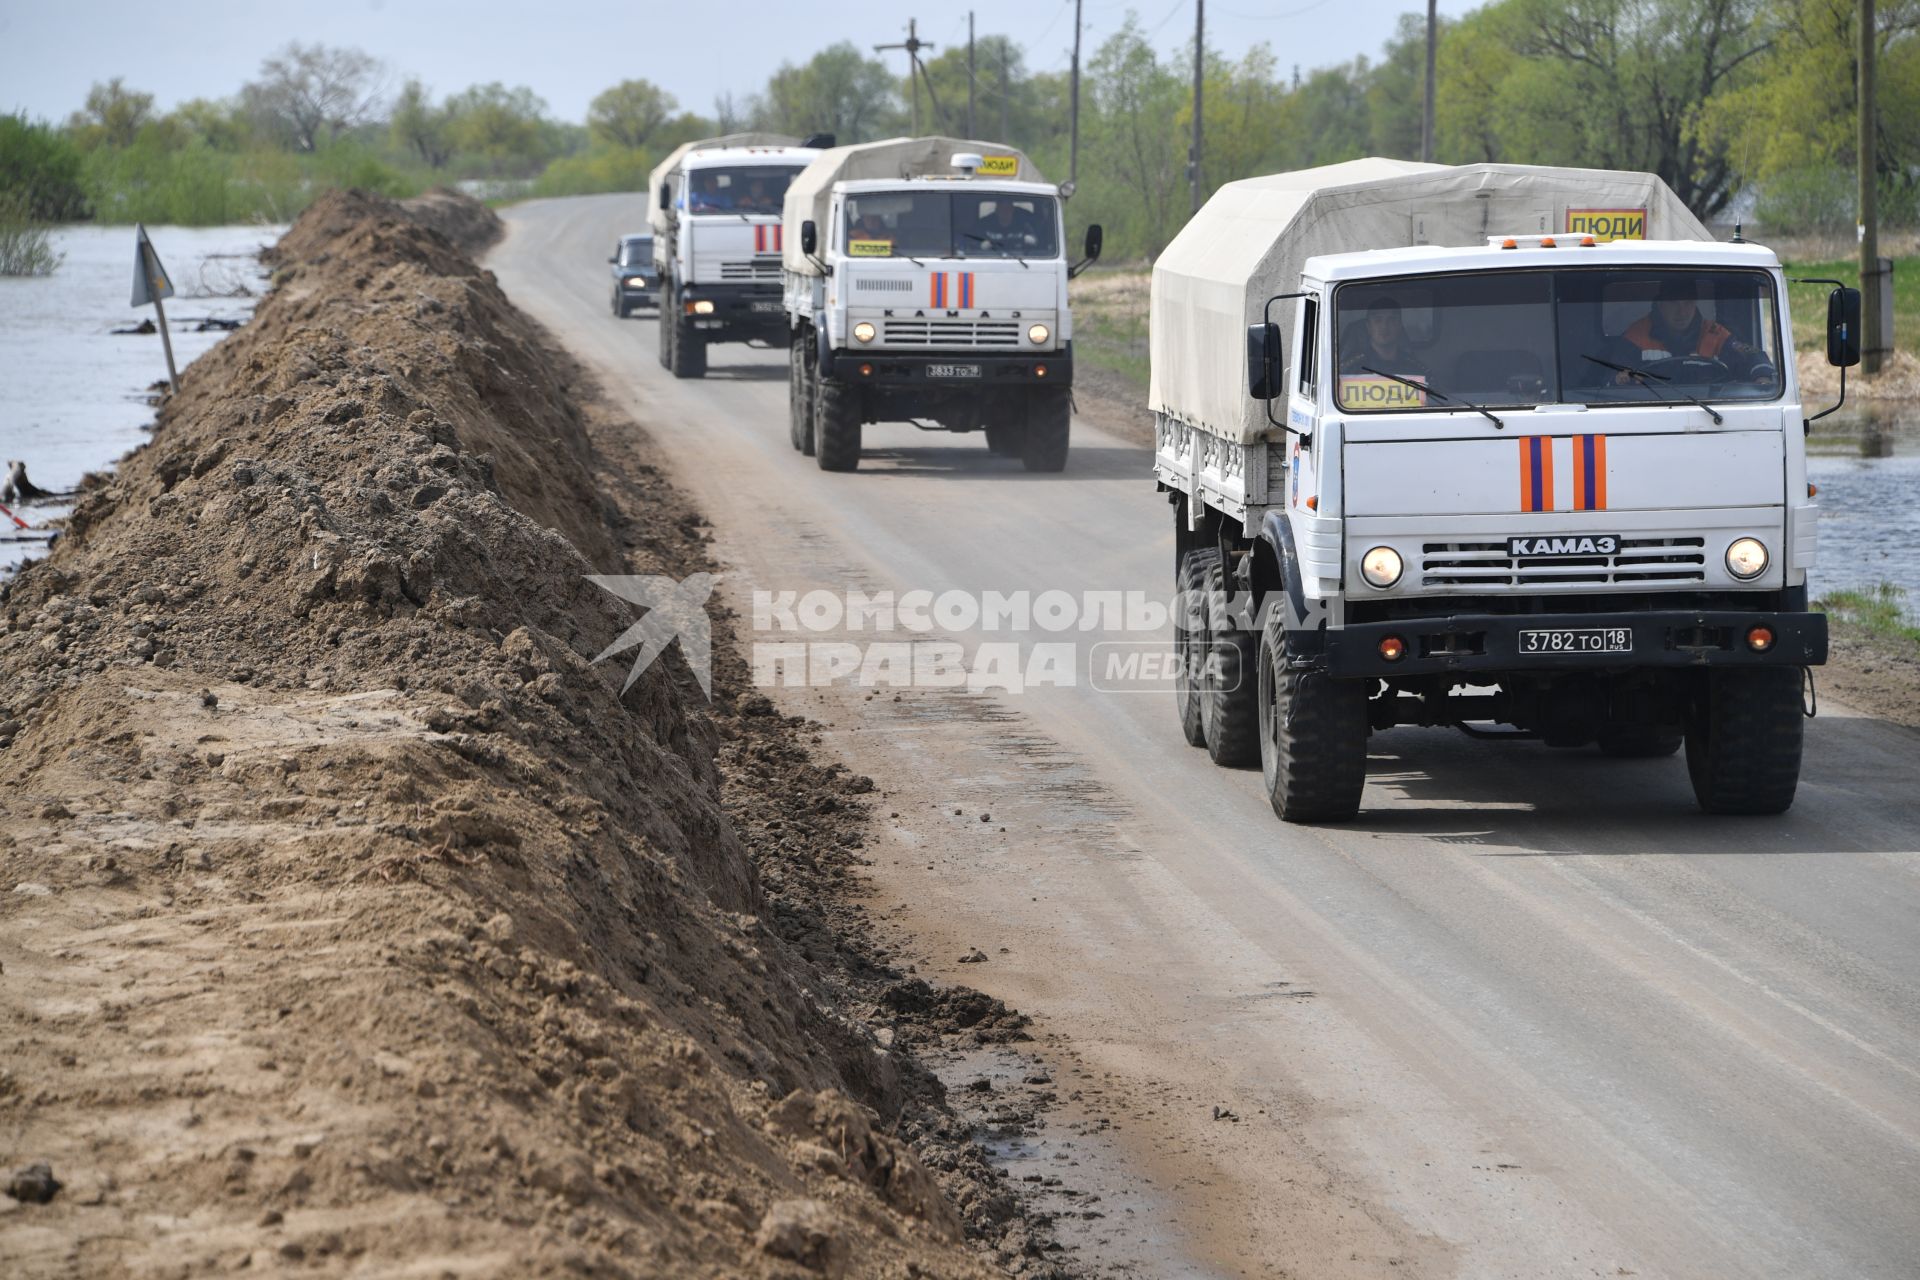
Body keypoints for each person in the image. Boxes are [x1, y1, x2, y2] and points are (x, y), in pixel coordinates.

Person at [1616, 277, 1775, 383]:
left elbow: (1753, 354)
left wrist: (1763, 378)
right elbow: (1613, 372)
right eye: (1674, 304)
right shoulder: (1636, 335)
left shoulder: (1714, 333)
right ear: (1660, 304)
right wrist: (1621, 378)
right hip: (1651, 415)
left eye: (1688, 303)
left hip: (1710, 415)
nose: (1682, 312)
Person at [1340, 297, 1428, 377]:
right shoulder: (1351, 369)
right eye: (1378, 320)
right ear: (1368, 327)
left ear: (1400, 326)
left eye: (1392, 319)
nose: (1384, 326)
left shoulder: (1416, 369)